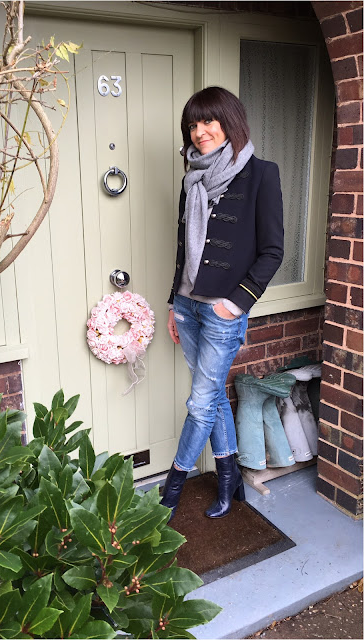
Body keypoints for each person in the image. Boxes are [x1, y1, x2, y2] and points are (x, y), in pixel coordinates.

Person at [161, 86, 284, 520]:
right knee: (210, 396)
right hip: (188, 306)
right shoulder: (190, 178)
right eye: (192, 125)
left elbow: (272, 251)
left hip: (222, 311)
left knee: (199, 402)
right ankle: (229, 476)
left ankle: (169, 493)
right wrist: (173, 304)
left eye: (208, 121)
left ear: (229, 121)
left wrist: (236, 304)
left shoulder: (261, 174)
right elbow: (183, 249)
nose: (199, 132)